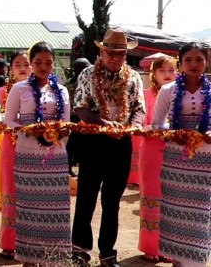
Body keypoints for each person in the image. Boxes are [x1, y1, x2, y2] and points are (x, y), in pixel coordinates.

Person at [71, 29, 145, 267]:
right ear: (101, 52)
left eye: (121, 53)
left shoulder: (133, 77)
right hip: (93, 141)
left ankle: (107, 254)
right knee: (86, 198)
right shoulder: (87, 74)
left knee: (112, 201)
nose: (116, 58)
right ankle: (79, 251)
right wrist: (103, 123)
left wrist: (133, 126)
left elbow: (139, 109)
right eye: (111, 53)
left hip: (120, 143)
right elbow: (80, 109)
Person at [4, 42, 72, 266]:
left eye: (48, 62)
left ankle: (53, 258)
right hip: (28, 157)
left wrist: (59, 130)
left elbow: (66, 123)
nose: (43, 67)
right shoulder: (19, 88)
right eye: (38, 62)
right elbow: (8, 121)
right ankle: (29, 259)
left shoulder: (61, 90)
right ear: (31, 63)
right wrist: (28, 129)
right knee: (29, 210)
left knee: (55, 210)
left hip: (55, 158)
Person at [151, 43, 211, 266]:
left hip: (205, 161)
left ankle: (197, 261)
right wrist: (172, 134)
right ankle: (178, 261)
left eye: (199, 59)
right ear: (180, 63)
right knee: (175, 213)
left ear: (207, 62)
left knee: (202, 213)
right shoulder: (168, 90)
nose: (194, 64)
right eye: (188, 60)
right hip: (176, 162)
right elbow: (156, 125)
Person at [138, 55, 175, 262]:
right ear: (153, 73)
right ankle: (150, 246)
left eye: (171, 70)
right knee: (152, 195)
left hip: (175, 150)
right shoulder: (145, 95)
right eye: (162, 70)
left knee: (171, 199)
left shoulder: (180, 94)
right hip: (152, 149)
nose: (167, 74)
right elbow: (140, 122)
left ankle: (168, 248)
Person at [0, 50, 30, 258]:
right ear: (11, 68)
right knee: (10, 188)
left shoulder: (39, 91)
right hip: (11, 144)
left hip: (34, 145)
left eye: (26, 64)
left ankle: (30, 243)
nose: (23, 68)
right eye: (18, 64)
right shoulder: (2, 92)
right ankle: (8, 243)